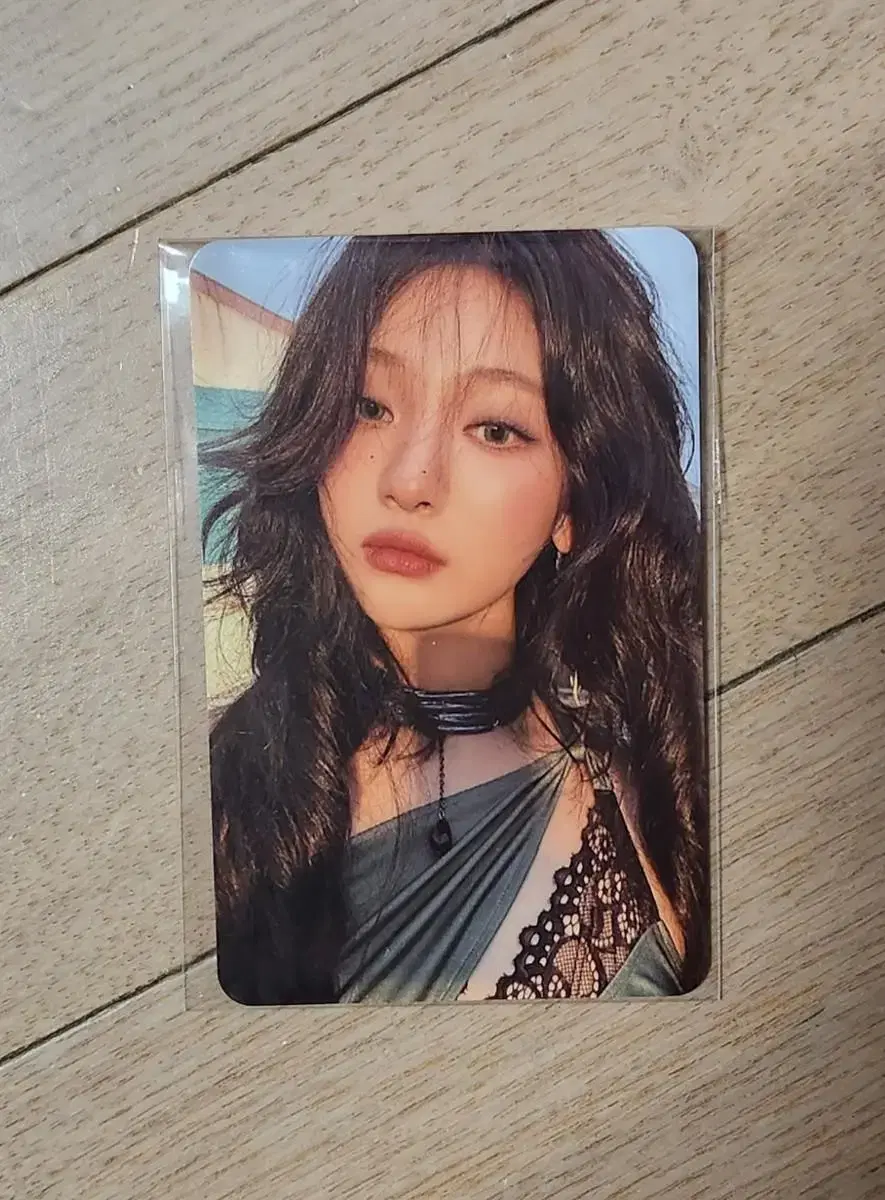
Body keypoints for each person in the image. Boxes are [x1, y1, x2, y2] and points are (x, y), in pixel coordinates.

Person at [202, 231, 708, 1005]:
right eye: (369, 406)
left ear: (573, 504)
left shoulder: (656, 770)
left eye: (494, 429)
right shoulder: (226, 800)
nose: (409, 480)